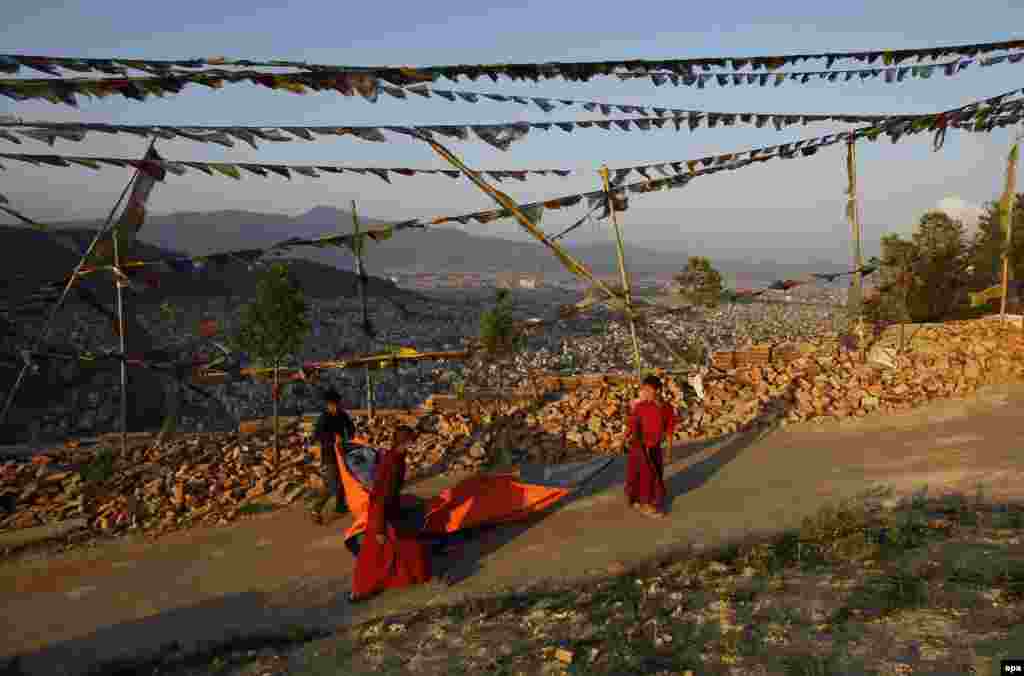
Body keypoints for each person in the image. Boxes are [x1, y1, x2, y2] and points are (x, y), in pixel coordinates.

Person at [349, 425, 433, 603]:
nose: (414, 445)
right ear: (404, 442)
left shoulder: (396, 457)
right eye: (411, 442)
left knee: (399, 549)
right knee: (374, 555)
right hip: (380, 511)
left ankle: (407, 579)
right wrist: (380, 526)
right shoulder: (393, 462)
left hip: (387, 509)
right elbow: (382, 493)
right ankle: (360, 591)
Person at [298, 369, 356, 525]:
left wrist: (347, 438)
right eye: (333, 405)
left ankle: (340, 505)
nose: (336, 407)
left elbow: (351, 429)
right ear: (328, 405)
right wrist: (332, 439)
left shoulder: (342, 415)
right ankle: (316, 508)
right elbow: (317, 435)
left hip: (342, 451)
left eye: (337, 404)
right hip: (329, 454)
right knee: (332, 484)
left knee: (344, 479)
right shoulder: (324, 418)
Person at [625, 375, 677, 519]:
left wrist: (669, 453)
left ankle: (643, 501)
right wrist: (622, 440)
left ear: (658, 390)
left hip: (655, 448)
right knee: (646, 476)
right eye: (643, 390)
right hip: (640, 447)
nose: (645, 393)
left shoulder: (667, 408)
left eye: (648, 390)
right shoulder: (640, 407)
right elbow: (631, 425)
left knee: (655, 475)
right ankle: (645, 505)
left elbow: (670, 431)